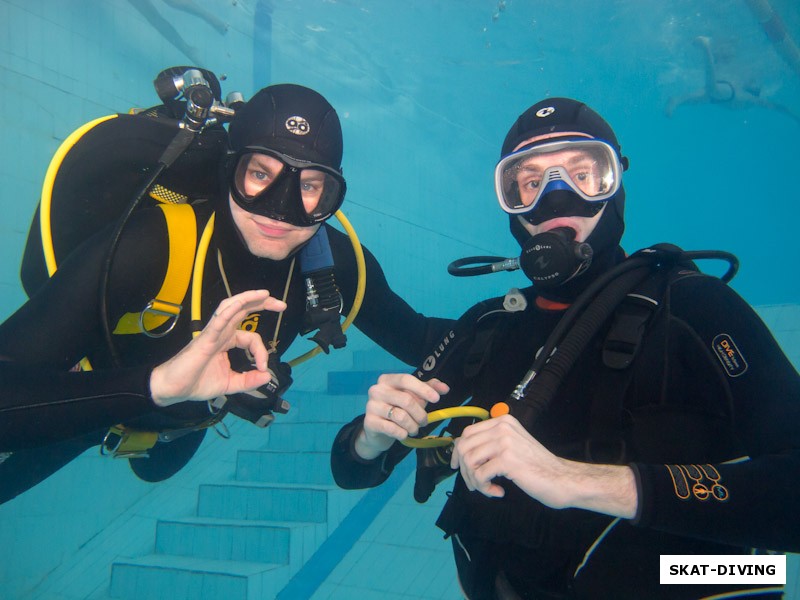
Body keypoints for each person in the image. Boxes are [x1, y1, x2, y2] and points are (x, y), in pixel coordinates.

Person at [331, 97, 800, 599]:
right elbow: (351, 472)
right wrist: (371, 438)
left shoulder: (692, 308)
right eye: (531, 182)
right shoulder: (489, 327)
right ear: (511, 203)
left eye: (584, 174)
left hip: (684, 584)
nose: (557, 199)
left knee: (749, 570)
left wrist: (578, 481)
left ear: (615, 184)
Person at [0, 83, 450, 503]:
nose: (282, 209)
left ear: (332, 193)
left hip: (184, 428)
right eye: (260, 173)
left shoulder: (333, 264)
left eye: (310, 186)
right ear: (229, 167)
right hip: (85, 405)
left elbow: (425, 339)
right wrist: (159, 386)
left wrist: (518, 317)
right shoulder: (152, 246)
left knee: (158, 470)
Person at [666, 35, 800, 125]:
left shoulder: (747, 96)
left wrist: (794, 115)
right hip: (728, 94)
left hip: (723, 96)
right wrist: (794, 116)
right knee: (710, 90)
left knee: (702, 96)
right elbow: (776, 107)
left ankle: (677, 100)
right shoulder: (747, 97)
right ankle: (706, 47)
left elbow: (776, 107)